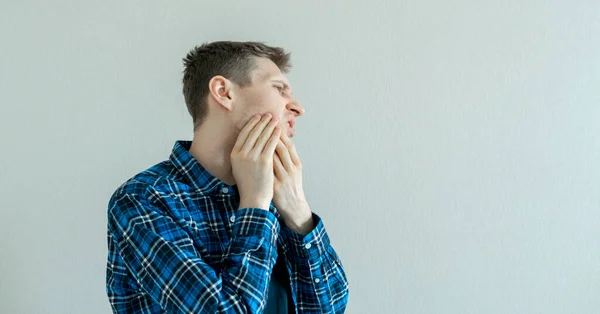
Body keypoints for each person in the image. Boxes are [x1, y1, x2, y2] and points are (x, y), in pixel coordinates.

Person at [105, 41, 349, 313]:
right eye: (279, 89)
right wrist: (255, 203)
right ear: (224, 92)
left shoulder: (278, 195)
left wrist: (298, 212)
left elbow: (330, 308)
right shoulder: (144, 199)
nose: (298, 108)